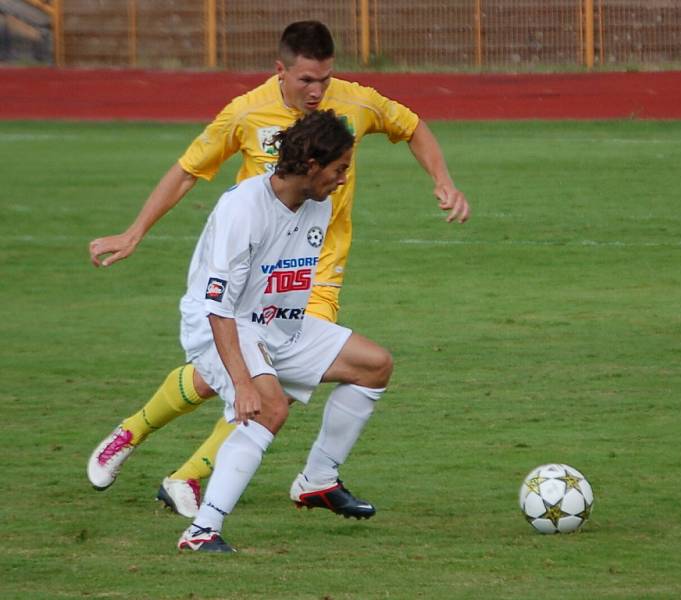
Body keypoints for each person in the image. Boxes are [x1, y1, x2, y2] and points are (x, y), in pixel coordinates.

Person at [86, 20, 469, 518]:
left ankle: (188, 475)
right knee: (225, 377)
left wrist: (443, 181)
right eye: (306, 80)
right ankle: (140, 439)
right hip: (252, 278)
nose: (317, 91)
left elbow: (413, 127)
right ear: (281, 70)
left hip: (316, 275)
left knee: (270, 382)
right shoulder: (246, 111)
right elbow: (187, 170)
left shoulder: (356, 103)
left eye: (324, 80)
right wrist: (135, 231)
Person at [95, 110, 388, 553]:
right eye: (340, 168)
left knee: (374, 366)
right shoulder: (242, 210)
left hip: (277, 325)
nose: (344, 179)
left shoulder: (319, 204)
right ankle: (201, 531)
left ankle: (317, 481)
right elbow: (218, 308)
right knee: (268, 408)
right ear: (311, 166)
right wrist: (242, 382)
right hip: (219, 324)